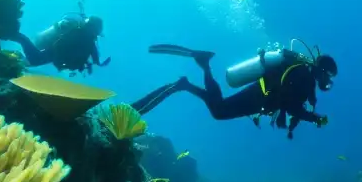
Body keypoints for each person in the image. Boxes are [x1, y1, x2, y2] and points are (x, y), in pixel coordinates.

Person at [132, 43, 337, 139]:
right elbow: (292, 106)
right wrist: (315, 119)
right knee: (220, 111)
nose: (328, 82)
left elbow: (292, 103)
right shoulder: (304, 76)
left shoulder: (304, 74)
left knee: (220, 110)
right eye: (329, 76)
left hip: (261, 97)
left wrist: (309, 116)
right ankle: (203, 65)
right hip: (259, 97)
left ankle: (187, 84)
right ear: (322, 71)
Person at [9, 2, 110, 75]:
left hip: (58, 53)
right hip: (56, 51)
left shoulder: (88, 39)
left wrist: (99, 63)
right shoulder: (83, 36)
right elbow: (95, 57)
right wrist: (99, 63)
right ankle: (19, 39)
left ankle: (16, 52)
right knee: (34, 60)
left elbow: (95, 57)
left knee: (32, 61)